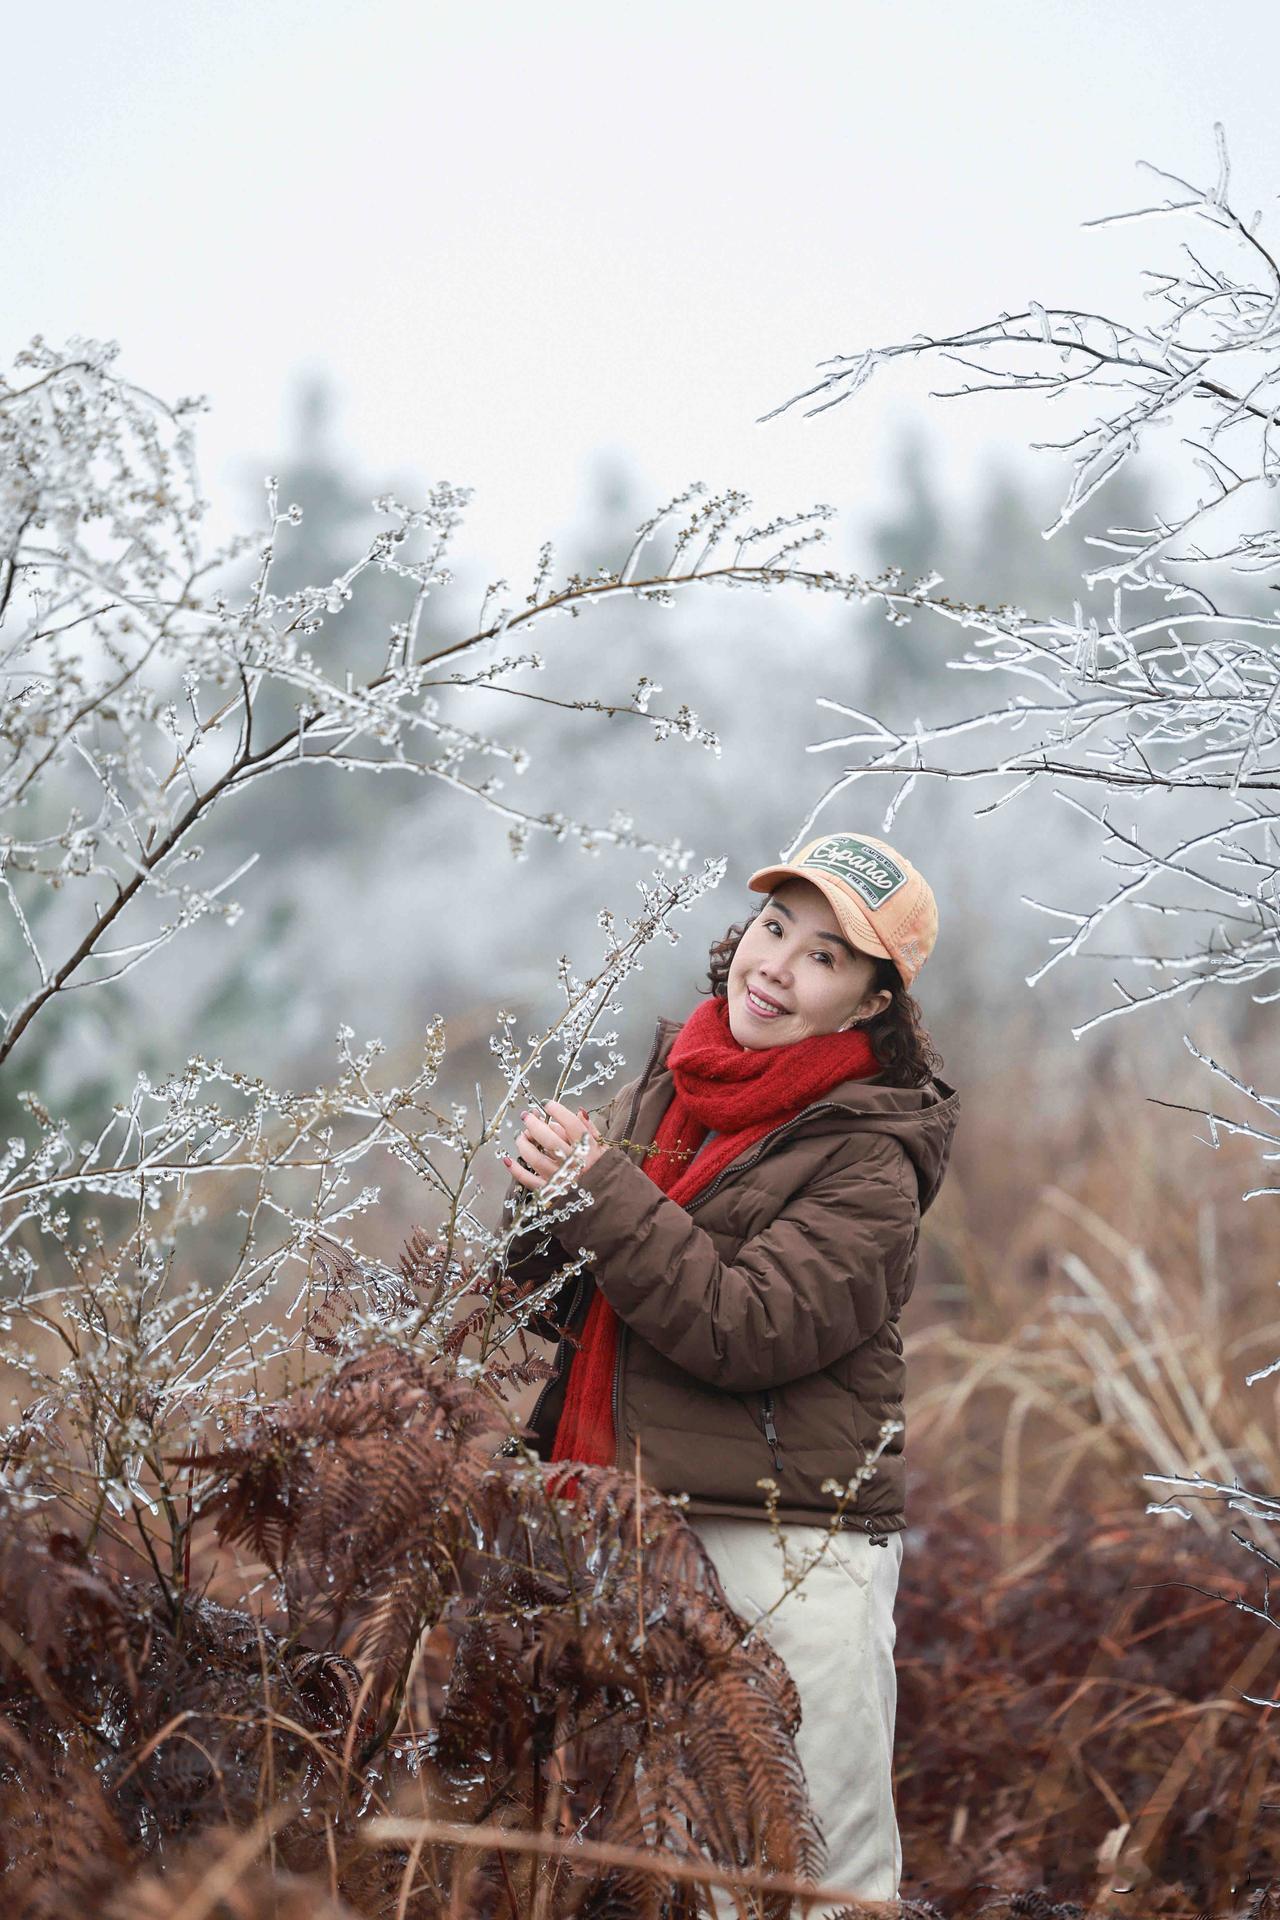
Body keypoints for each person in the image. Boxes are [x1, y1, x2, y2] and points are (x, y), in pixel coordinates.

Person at [501, 830, 959, 1905]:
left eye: (821, 958)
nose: (775, 966)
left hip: (792, 1544)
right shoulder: (675, 1087)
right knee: (667, 1872)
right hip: (639, 1518)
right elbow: (557, 1297)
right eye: (772, 928)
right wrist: (540, 1203)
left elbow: (744, 1328)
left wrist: (601, 1195)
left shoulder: (870, 1159)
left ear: (869, 1004)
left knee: (812, 1878)